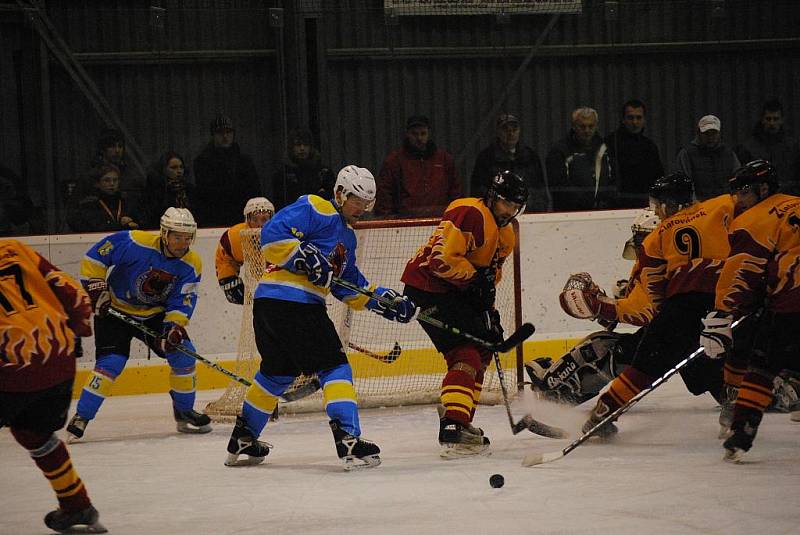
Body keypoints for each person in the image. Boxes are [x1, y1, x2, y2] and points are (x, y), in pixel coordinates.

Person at [224, 165, 417, 469]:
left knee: (276, 373)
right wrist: (304, 257)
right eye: (357, 200)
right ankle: (348, 439)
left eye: (367, 204)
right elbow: (272, 235)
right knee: (335, 367)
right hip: (293, 304)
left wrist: (385, 302)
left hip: (271, 307)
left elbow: (347, 287)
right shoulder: (317, 207)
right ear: (340, 193)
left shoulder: (347, 240)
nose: (362, 209)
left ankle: (244, 437)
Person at [570, 172, 734, 437]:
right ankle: (737, 406)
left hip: (681, 308)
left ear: (669, 204)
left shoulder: (656, 236)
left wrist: (606, 308)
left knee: (643, 366)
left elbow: (652, 297)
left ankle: (602, 413)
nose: (657, 210)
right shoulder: (722, 205)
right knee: (729, 355)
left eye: (658, 204)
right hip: (724, 301)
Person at [400, 170, 528, 458]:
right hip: (427, 289)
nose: (509, 211)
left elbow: (488, 281)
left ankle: (459, 416)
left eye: (515, 206)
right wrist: (473, 280)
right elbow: (439, 261)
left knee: (482, 348)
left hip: (455, 292)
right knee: (465, 354)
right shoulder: (470, 212)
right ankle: (453, 425)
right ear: (493, 197)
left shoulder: (506, 233)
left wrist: (489, 315)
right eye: (506, 203)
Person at [66, 207, 212, 441]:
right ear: (164, 233)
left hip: (154, 314)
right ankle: (82, 416)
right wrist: (96, 288)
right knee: (111, 364)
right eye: (177, 237)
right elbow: (95, 257)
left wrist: (173, 326)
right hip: (114, 310)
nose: (183, 243)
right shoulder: (133, 241)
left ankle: (184, 411)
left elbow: (183, 299)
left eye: (188, 238)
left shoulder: (191, 263)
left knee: (184, 354)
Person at [0, 239, 106, 533]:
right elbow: (74, 295)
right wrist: (79, 329)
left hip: (10, 364)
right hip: (58, 358)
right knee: (35, 433)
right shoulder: (14, 248)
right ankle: (76, 505)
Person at [698, 160, 800, 462]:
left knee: (761, 364)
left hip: (791, 304)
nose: (738, 200)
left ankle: (741, 432)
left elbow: (739, 271)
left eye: (743, 191)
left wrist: (722, 313)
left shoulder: (753, 220)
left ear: (763, 188)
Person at [374, 115, 462, 218]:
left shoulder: (445, 159)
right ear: (407, 134)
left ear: (429, 133)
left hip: (440, 219)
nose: (419, 138)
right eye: (414, 134)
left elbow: (456, 190)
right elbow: (384, 193)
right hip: (405, 221)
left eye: (423, 134)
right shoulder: (394, 161)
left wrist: (457, 215)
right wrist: (386, 219)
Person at [470, 113, 549, 213]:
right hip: (496, 216)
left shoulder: (531, 157)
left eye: (514, 130)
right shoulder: (486, 158)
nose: (510, 134)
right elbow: (478, 191)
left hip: (528, 213)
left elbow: (540, 191)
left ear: (519, 131)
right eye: (506, 130)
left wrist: (535, 210)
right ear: (498, 132)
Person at [193, 114, 261, 227]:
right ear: (213, 135)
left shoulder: (244, 161)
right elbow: (205, 195)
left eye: (228, 132)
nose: (225, 136)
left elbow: (254, 191)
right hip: (214, 220)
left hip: (241, 218)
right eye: (220, 133)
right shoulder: (203, 162)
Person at [546, 107, 615, 211]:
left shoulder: (605, 149)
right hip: (571, 212)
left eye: (591, 126)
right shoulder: (560, 151)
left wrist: (605, 201)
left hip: (603, 210)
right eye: (582, 126)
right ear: (574, 127)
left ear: (596, 126)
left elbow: (614, 179)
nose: (587, 130)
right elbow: (559, 186)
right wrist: (586, 202)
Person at [604, 99, 664, 208]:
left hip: (645, 204)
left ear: (644, 120)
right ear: (623, 119)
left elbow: (658, 176)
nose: (635, 122)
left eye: (639, 118)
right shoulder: (610, 143)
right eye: (630, 118)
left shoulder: (650, 146)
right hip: (617, 205)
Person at [215, 196, 275, 304]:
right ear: (247, 220)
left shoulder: (283, 234)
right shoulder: (235, 237)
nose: (260, 224)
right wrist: (229, 280)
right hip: (256, 285)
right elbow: (224, 258)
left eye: (265, 219)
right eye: (255, 219)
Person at [735, 99, 800, 196]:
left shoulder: (793, 147)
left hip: (789, 198)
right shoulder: (748, 148)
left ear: (782, 120)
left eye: (776, 119)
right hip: (760, 200)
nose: (772, 123)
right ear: (762, 120)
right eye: (768, 119)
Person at [675, 114, 740, 201]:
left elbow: (737, 179)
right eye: (706, 134)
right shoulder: (687, 154)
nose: (710, 137)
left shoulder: (729, 154)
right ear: (698, 133)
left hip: (725, 204)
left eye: (714, 133)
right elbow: (685, 183)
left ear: (719, 133)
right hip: (700, 207)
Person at [271, 127, 335, 211]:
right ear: (291, 147)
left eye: (306, 145)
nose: (302, 148)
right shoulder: (282, 174)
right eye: (298, 145)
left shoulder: (323, 172)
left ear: (311, 147)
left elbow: (332, 201)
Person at [67, 163, 139, 233]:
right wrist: (122, 225)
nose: (112, 184)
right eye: (107, 180)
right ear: (97, 183)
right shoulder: (90, 205)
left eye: (115, 180)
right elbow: (97, 228)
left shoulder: (126, 202)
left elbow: (140, 222)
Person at [141, 151, 197, 229]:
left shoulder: (189, 190)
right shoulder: (157, 190)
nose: (179, 171)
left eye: (181, 167)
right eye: (174, 167)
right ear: (164, 169)